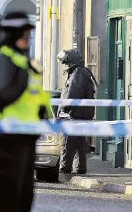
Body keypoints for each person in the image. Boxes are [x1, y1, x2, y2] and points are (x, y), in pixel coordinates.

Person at [0, 11, 52, 212]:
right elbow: (6, 93)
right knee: (8, 197)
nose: (29, 38)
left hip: (25, 138)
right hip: (6, 138)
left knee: (24, 196)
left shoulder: (23, 62)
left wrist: (43, 112)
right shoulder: (3, 60)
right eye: (25, 34)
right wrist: (24, 76)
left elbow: (35, 97)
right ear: (15, 35)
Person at [56, 48, 98, 181]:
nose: (66, 65)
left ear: (72, 62)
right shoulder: (83, 72)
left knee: (68, 144)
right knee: (80, 144)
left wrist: (63, 109)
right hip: (82, 116)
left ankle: (64, 171)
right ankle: (80, 168)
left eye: (67, 63)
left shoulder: (77, 74)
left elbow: (72, 95)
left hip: (75, 116)